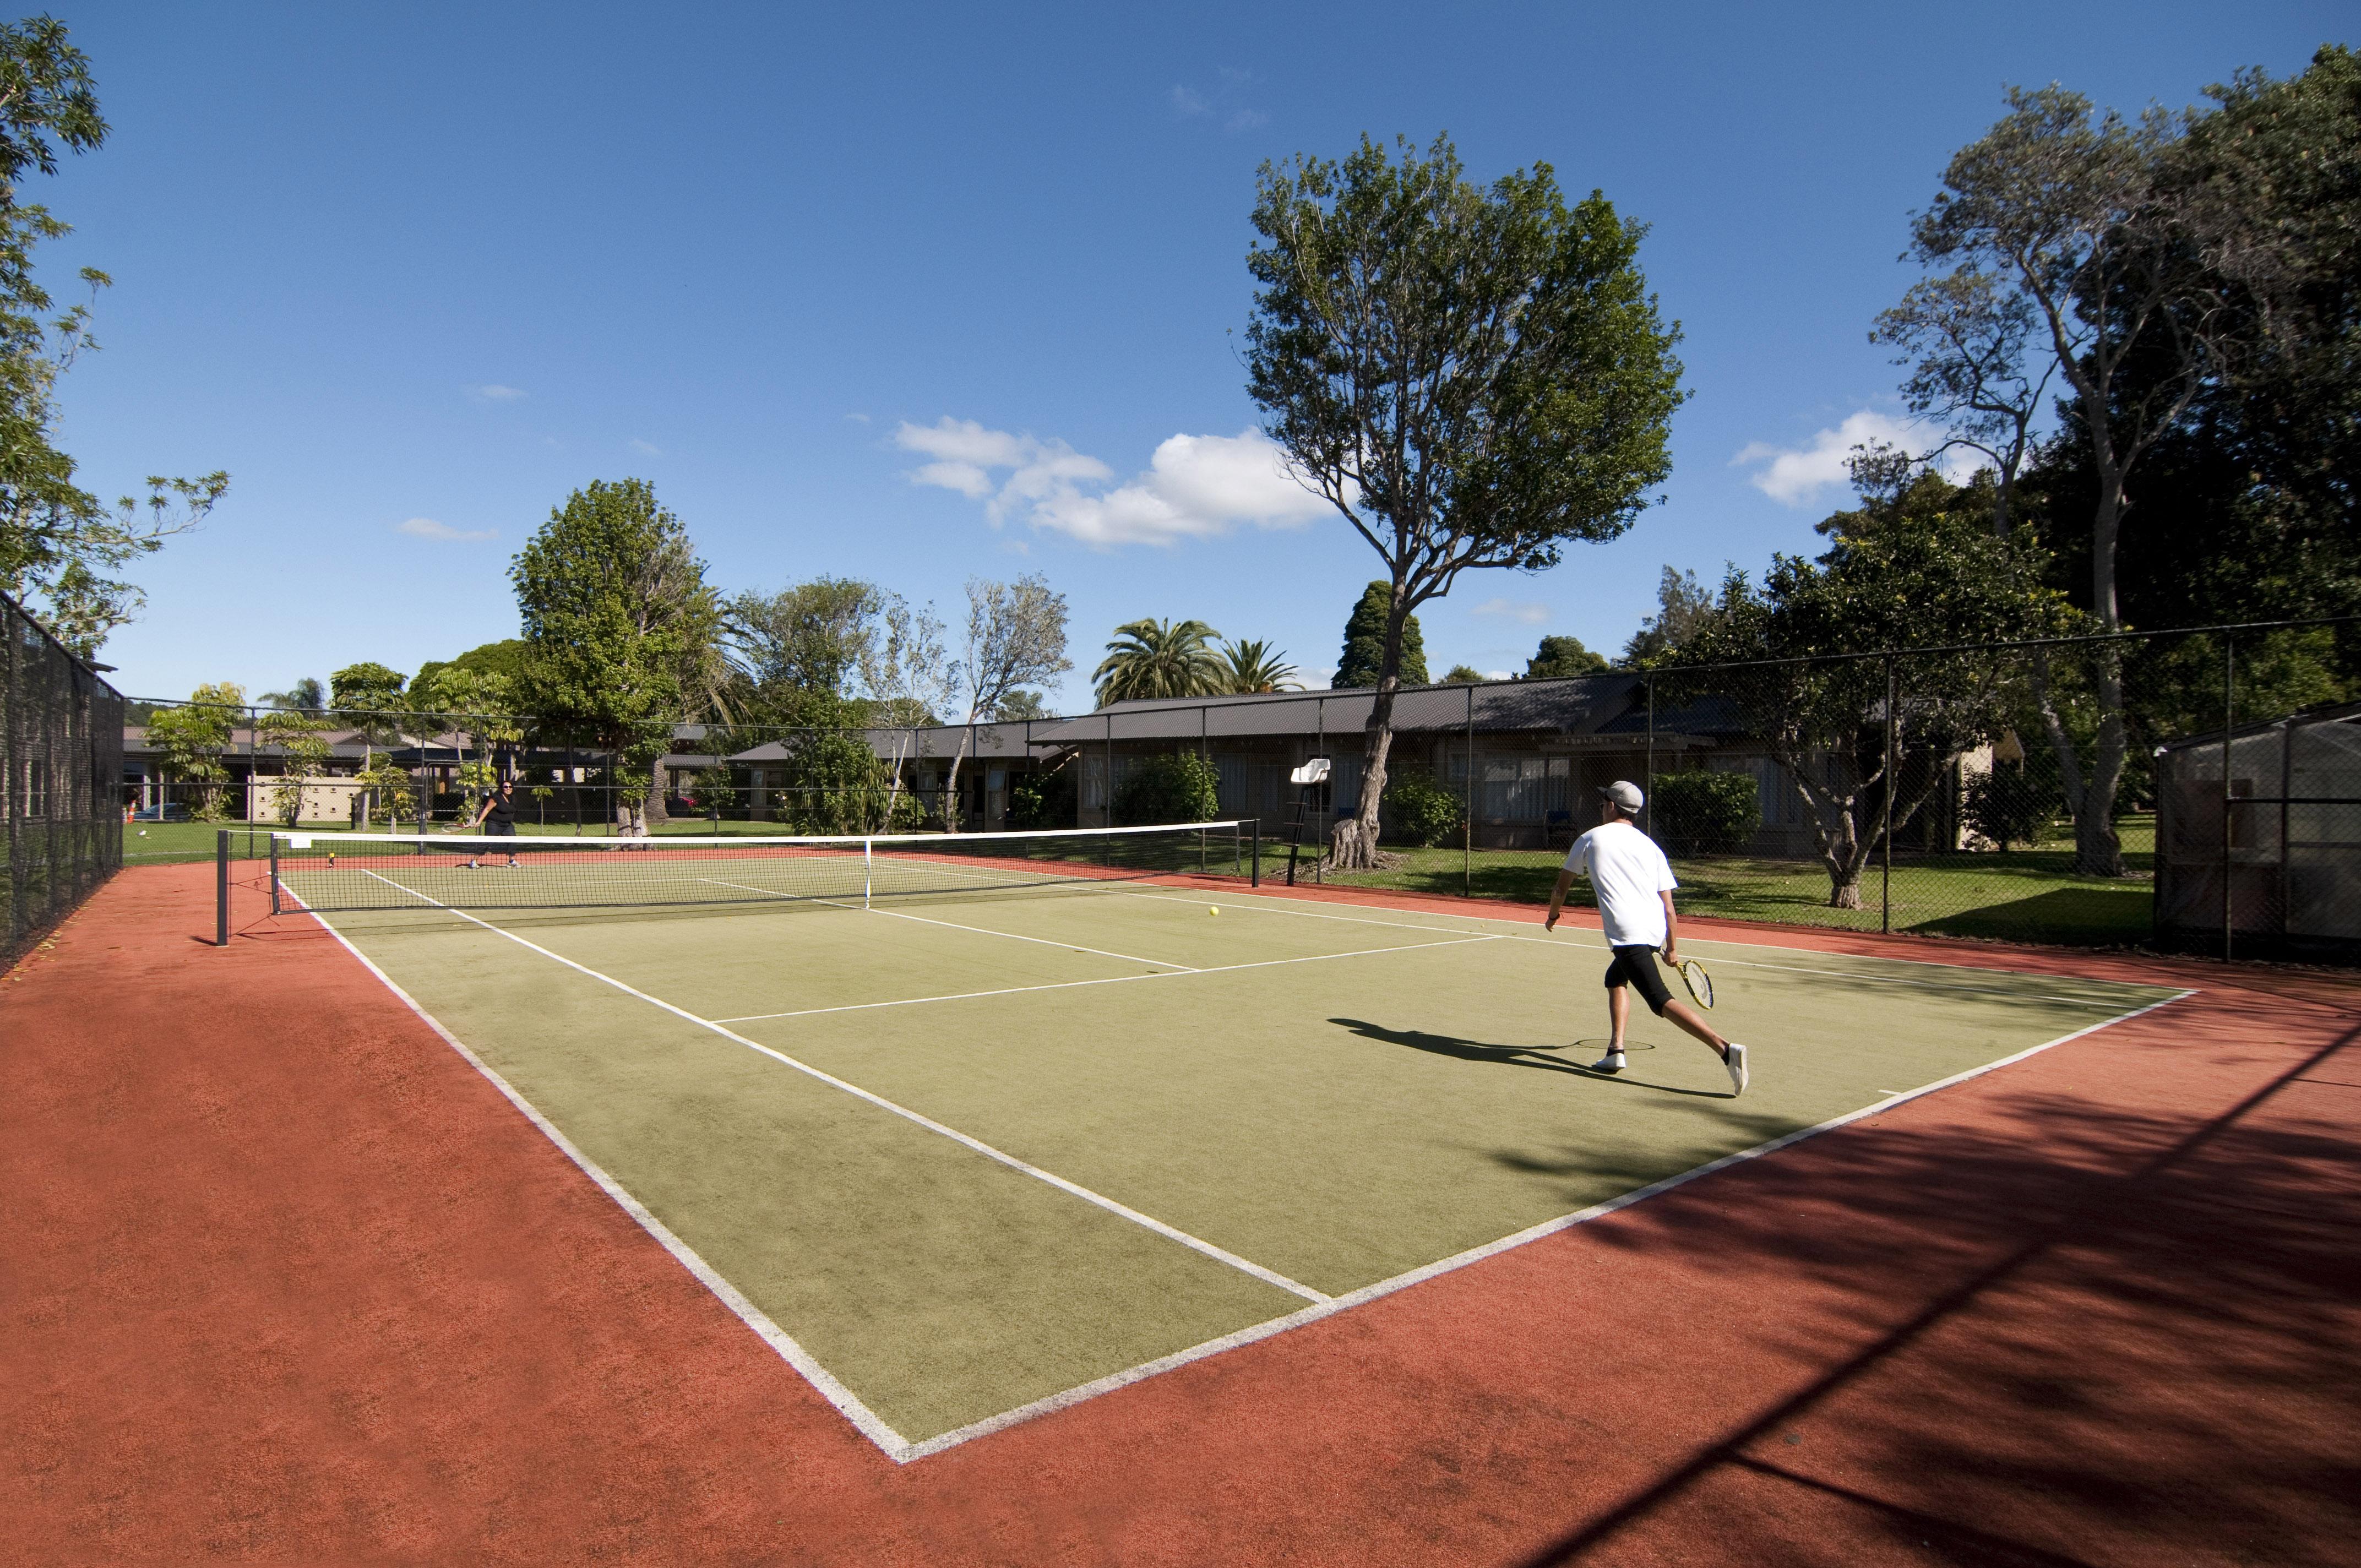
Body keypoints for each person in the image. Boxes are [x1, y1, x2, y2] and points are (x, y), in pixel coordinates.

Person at [1544, 780, 1748, 1095]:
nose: (1602, 808)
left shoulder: (1589, 839)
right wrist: (1672, 948)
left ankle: (1725, 1049)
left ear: (1612, 806)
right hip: (1653, 932)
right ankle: (1616, 1051)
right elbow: (1669, 909)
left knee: (1660, 1000)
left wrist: (1553, 915)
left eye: (1603, 804)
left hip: (1628, 935)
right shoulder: (1652, 847)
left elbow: (1560, 888)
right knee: (1615, 979)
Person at [461, 776, 522, 869]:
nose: (508, 789)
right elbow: (487, 809)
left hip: (507, 825)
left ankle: (511, 861)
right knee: (487, 843)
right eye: (506, 787)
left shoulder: (513, 799)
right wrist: (479, 822)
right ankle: (474, 861)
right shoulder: (496, 798)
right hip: (494, 824)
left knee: (512, 841)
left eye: (510, 787)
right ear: (502, 788)